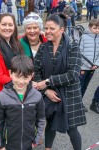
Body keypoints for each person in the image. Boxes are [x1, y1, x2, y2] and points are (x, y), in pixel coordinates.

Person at [33, 13, 86, 150]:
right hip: (49, 93)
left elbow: (72, 75)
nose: (47, 32)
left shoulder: (73, 48)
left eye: (52, 29)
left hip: (69, 93)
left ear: (61, 29)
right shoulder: (44, 47)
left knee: (72, 129)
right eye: (46, 28)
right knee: (50, 124)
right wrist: (46, 90)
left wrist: (47, 82)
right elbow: (35, 71)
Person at [0, 55, 45, 150]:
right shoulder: (2, 96)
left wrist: (36, 140)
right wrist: (0, 145)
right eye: (18, 76)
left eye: (26, 77)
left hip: (28, 144)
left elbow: (41, 120)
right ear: (10, 73)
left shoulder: (37, 96)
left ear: (31, 76)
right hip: (8, 145)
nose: (21, 81)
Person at [0, 13, 23, 116]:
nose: (7, 28)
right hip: (0, 92)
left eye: (10, 25)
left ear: (14, 27)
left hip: (16, 90)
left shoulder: (16, 44)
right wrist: (22, 82)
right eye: (4, 24)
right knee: (0, 128)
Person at [79, 19, 99, 112]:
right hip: (83, 67)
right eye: (95, 28)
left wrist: (96, 64)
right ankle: (76, 103)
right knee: (79, 86)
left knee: (85, 86)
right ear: (90, 27)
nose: (97, 30)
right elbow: (79, 52)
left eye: (98, 28)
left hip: (93, 68)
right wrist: (88, 64)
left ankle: (80, 102)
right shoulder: (83, 37)